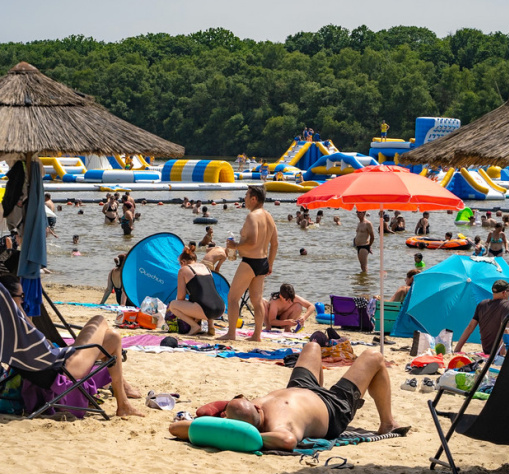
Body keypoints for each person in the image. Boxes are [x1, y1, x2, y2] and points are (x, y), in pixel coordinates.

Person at [168, 339, 406, 450]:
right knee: (374, 357)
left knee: (312, 346)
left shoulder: (244, 415)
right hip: (333, 409)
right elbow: (288, 441)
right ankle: (387, 423)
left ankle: (315, 387)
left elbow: (175, 428)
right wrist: (247, 437)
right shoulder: (278, 424)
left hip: (302, 387)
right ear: (257, 410)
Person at [0, 276, 143, 417]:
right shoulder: (16, 323)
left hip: (54, 364)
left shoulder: (5, 322)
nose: (23, 299)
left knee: (113, 338)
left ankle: (123, 403)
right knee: (99, 320)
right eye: (21, 296)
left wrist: (18, 308)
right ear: (9, 298)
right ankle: (123, 402)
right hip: (61, 370)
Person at [218, 185, 278, 342]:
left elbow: (252, 241)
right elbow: (275, 243)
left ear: (254, 199)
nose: (244, 199)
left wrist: (235, 246)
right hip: (263, 262)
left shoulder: (252, 217)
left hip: (250, 262)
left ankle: (231, 333)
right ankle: (257, 335)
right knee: (256, 301)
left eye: (246, 196)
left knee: (232, 298)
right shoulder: (269, 217)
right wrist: (270, 264)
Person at [168, 248, 224, 335]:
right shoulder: (206, 268)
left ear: (183, 262)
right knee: (206, 298)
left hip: (206, 310)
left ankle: (195, 326)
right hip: (220, 308)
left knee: (173, 305)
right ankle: (211, 326)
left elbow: (180, 297)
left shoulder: (183, 270)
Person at [453, 280, 509, 355]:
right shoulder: (507, 304)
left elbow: (470, 327)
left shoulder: (482, 304)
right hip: (498, 351)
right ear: (504, 292)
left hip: (487, 350)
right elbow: (504, 329)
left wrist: (457, 349)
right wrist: (503, 353)